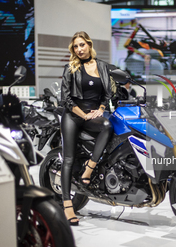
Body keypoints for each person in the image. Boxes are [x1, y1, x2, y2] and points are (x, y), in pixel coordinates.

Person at [60, 31, 113, 226]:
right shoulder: (71, 68)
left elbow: (108, 94)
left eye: (82, 45)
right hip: (73, 115)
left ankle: (88, 170)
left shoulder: (102, 67)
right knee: (68, 159)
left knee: (108, 125)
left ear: (89, 45)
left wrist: (100, 109)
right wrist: (83, 115)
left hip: (93, 115)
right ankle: (67, 206)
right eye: (76, 46)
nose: (79, 49)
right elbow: (64, 98)